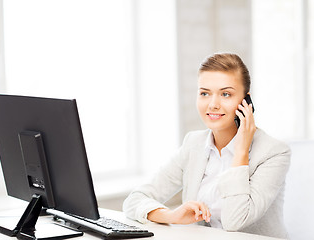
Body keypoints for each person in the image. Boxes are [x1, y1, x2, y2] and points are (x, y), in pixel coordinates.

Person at [123, 53, 291, 238]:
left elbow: (235, 221)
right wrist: (172, 216)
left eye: (225, 94)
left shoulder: (274, 152)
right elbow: (135, 200)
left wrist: (241, 151)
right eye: (204, 93)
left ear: (246, 102)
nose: (213, 104)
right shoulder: (193, 144)